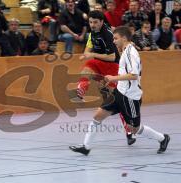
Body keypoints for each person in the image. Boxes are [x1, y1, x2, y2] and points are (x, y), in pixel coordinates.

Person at [69, 26, 170, 155]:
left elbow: (134, 75)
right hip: (119, 93)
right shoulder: (124, 51)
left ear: (123, 38)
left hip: (130, 97)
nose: (114, 41)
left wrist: (113, 78)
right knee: (97, 116)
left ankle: (162, 138)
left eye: (116, 38)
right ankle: (86, 147)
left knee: (134, 129)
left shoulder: (131, 53)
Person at [73, 10, 136, 145]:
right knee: (89, 67)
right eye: (90, 22)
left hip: (112, 67)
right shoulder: (92, 34)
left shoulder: (108, 34)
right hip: (100, 66)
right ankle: (81, 90)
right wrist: (87, 54)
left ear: (102, 22)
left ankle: (130, 131)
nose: (93, 25)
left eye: (96, 22)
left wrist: (93, 55)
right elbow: (87, 51)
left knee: (118, 102)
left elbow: (112, 57)